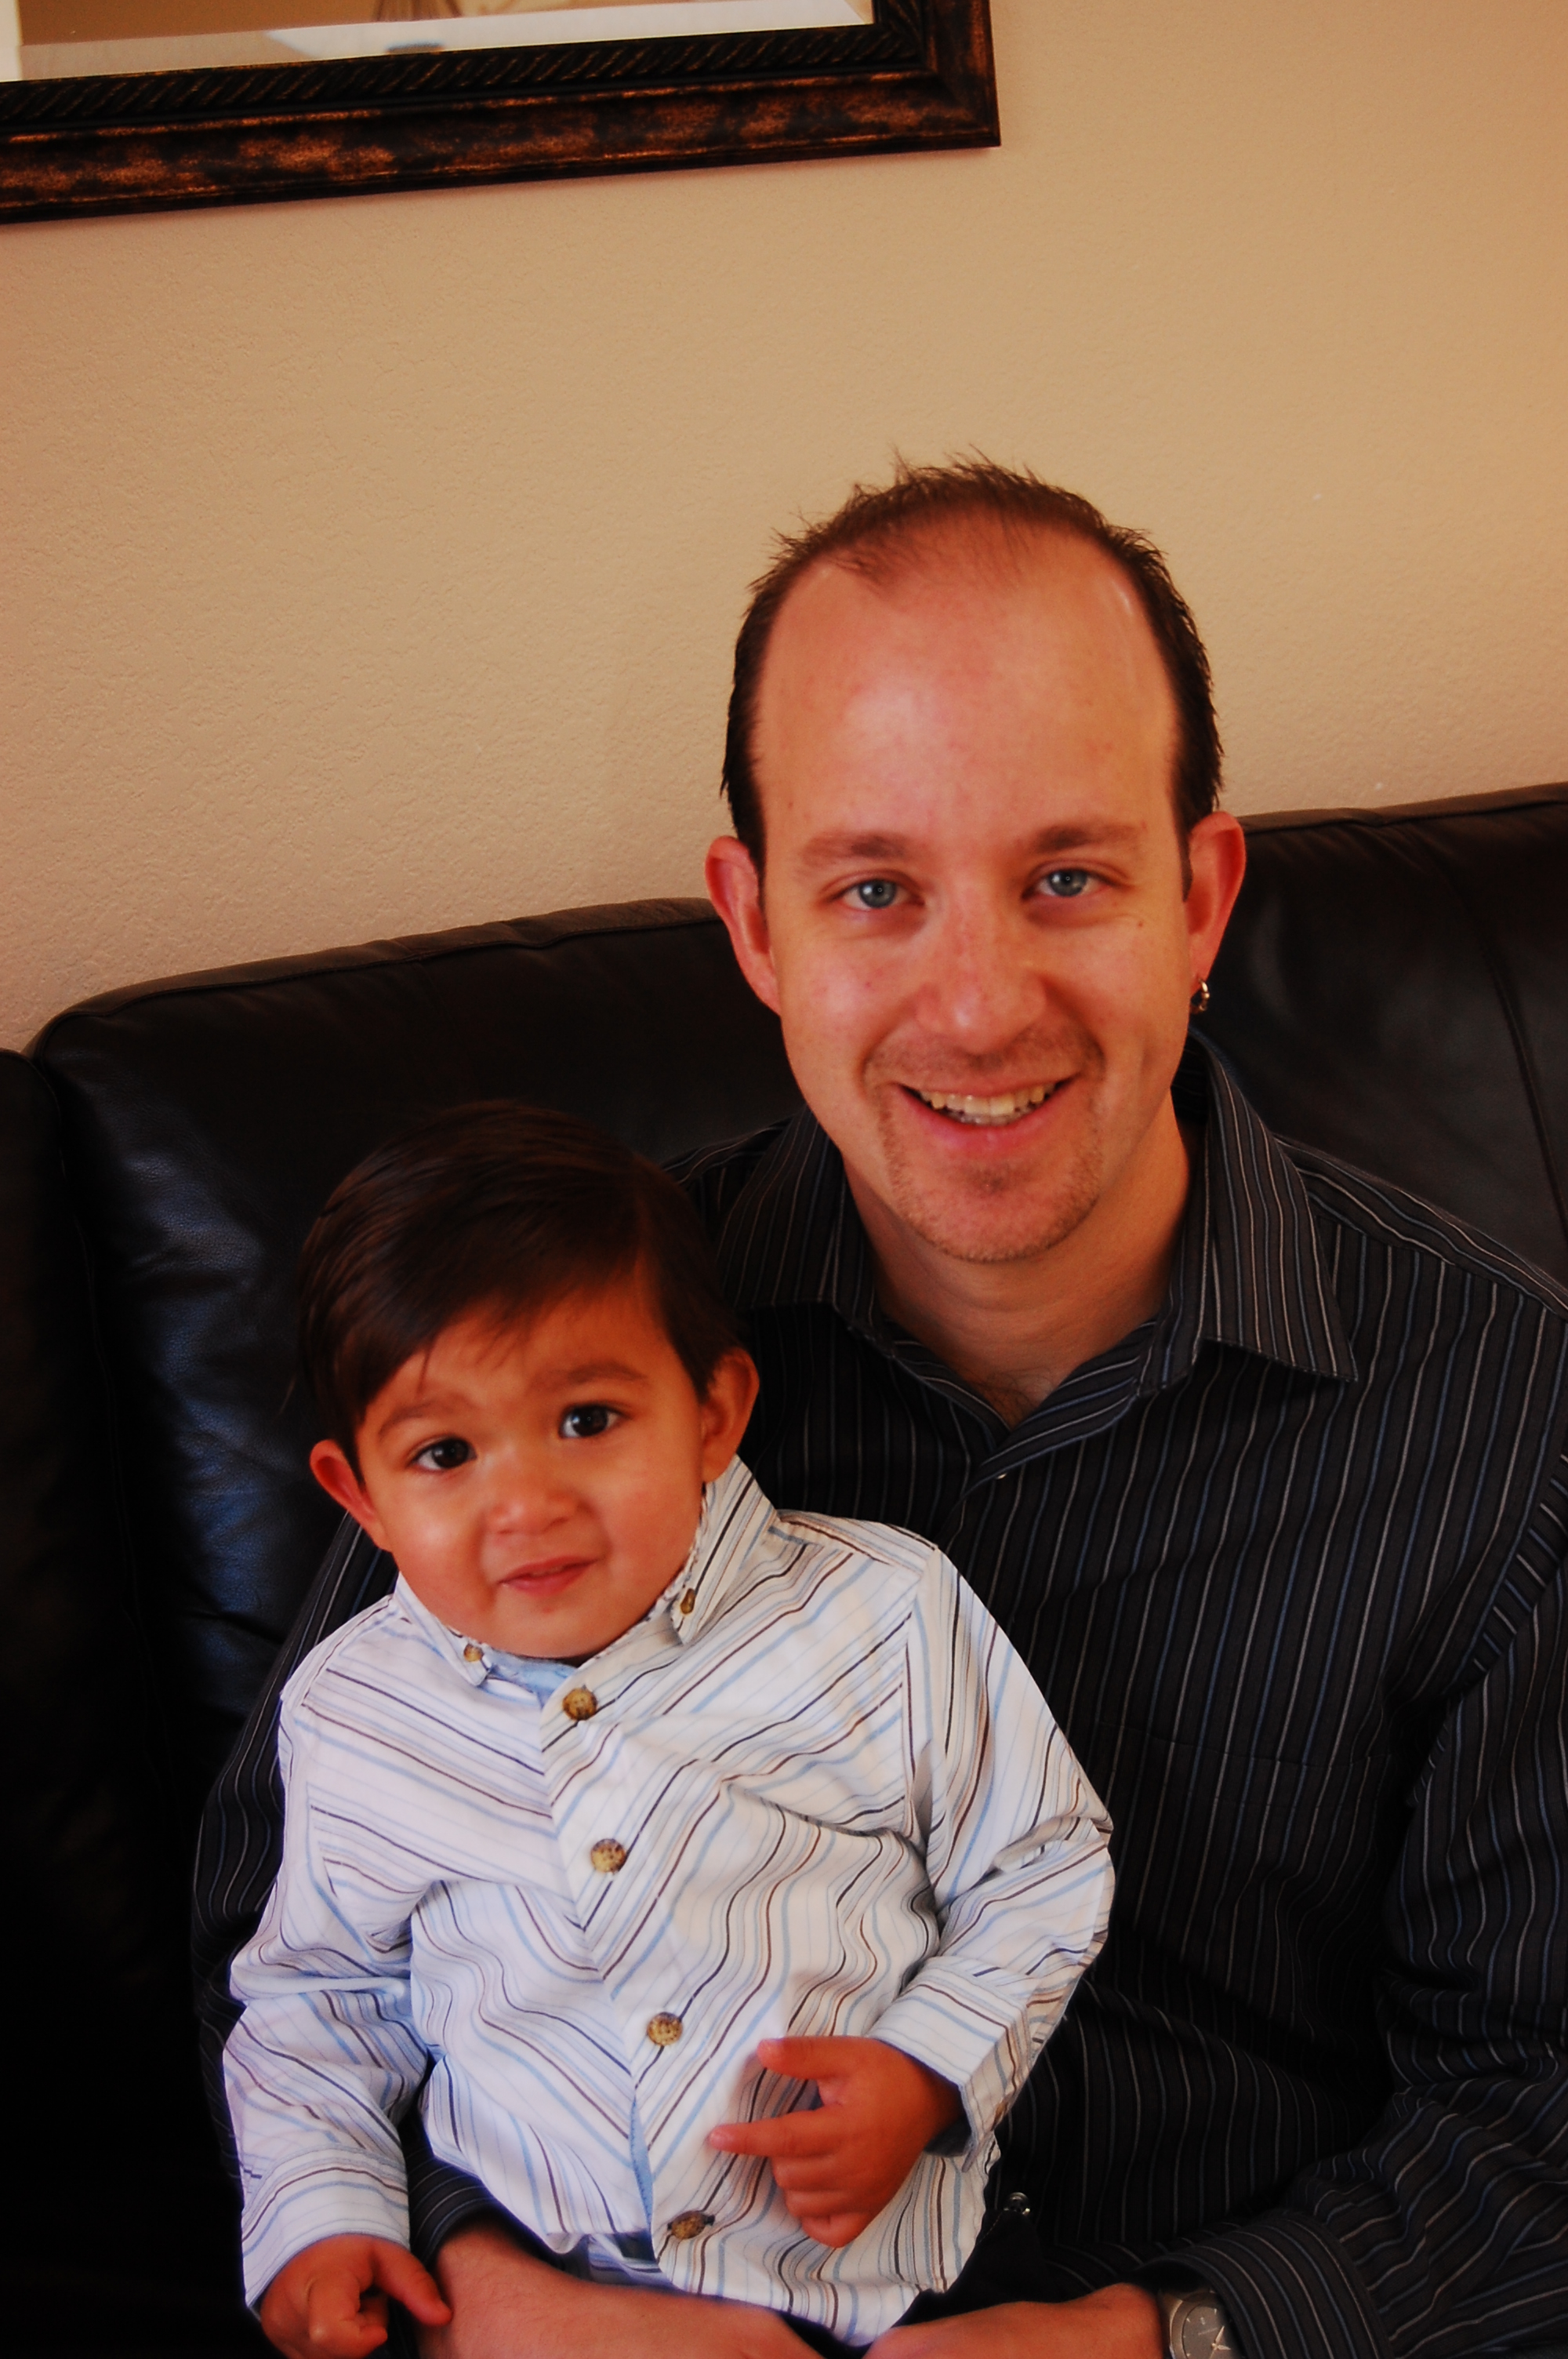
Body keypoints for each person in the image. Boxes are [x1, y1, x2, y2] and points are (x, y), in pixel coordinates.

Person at [197, 461, 1568, 2359]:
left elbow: (1537, 2102)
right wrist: (489, 2287)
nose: (978, 1005)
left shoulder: (1508, 1415)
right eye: (874, 890)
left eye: (1067, 877)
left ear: (1200, 900)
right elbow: (290, 1935)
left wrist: (1157, 2339)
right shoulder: (554, 1359)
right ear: (755, 924)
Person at [226, 1102, 1112, 2359]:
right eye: (445, 1452)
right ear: (358, 1495)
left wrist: (928, 2070)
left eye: (587, 1421)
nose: (525, 1504)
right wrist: (321, 2210)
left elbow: (1042, 1864)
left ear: (711, 1413)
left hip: (891, 2274)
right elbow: (319, 1994)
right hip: (540, 2287)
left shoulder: (880, 1611)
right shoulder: (354, 1707)